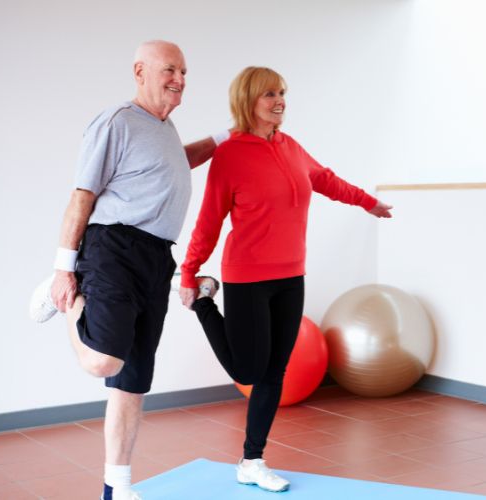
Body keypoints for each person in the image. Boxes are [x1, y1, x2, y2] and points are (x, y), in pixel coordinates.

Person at [29, 40, 229, 500]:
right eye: (170, 70)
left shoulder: (163, 128)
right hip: (113, 247)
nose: (179, 79)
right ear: (140, 71)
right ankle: (61, 298)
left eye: (184, 72)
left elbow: (183, 158)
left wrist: (226, 136)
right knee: (104, 360)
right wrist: (65, 267)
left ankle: (116, 488)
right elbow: (82, 195)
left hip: (156, 257)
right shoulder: (117, 121)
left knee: (133, 381)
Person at [178, 66, 392, 493]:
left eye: (282, 94)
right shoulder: (230, 155)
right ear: (248, 100)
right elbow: (209, 220)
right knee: (246, 368)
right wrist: (188, 272)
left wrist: (366, 202)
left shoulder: (291, 147)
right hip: (246, 277)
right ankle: (203, 301)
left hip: (291, 275)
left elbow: (324, 179)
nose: (280, 102)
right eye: (270, 94)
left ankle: (252, 460)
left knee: (274, 372)